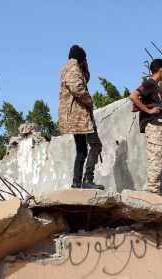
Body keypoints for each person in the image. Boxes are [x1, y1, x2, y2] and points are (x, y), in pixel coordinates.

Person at [58, 45, 104, 190]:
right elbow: (77, 88)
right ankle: (87, 180)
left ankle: (76, 182)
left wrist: (85, 66)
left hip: (75, 117)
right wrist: (89, 100)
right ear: (81, 58)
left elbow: (86, 79)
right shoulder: (73, 70)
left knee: (81, 150)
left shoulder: (70, 69)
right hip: (80, 117)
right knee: (96, 145)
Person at [129, 59, 162, 195]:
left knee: (157, 159)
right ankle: (152, 191)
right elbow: (133, 96)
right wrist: (149, 111)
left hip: (157, 125)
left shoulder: (155, 86)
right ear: (161, 69)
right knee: (156, 159)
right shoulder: (149, 83)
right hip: (153, 125)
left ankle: (153, 190)